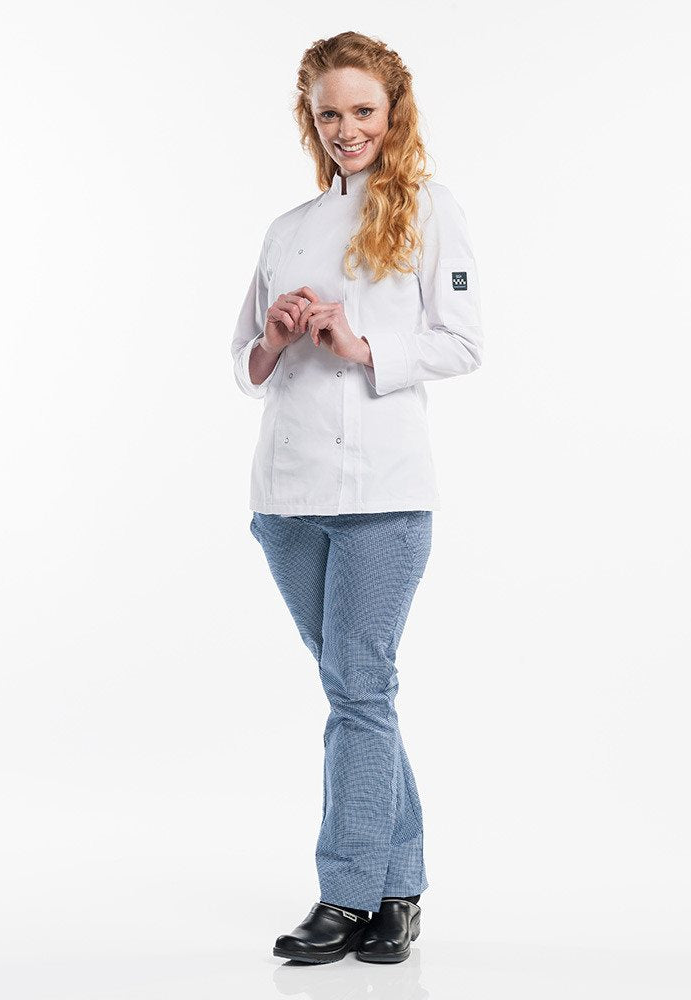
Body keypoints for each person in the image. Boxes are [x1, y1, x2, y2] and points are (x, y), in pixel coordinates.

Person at [230, 31, 484, 965]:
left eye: (363, 110)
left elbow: (464, 341)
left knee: (357, 690)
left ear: (394, 111)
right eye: (329, 113)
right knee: (357, 691)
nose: (347, 129)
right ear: (311, 119)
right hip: (287, 498)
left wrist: (363, 346)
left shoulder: (430, 210)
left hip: (383, 494)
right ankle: (400, 886)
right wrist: (278, 335)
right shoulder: (286, 227)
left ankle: (346, 895)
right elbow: (244, 362)